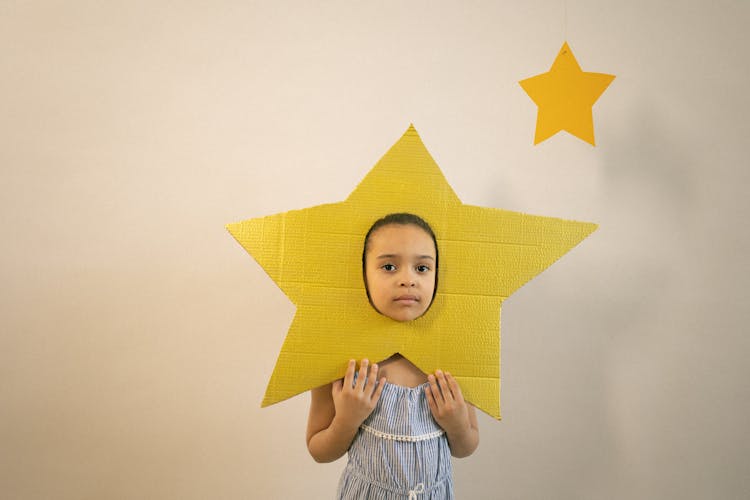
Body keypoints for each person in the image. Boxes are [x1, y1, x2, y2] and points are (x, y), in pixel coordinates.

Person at [306, 213, 479, 499]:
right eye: (389, 266)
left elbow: (466, 446)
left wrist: (457, 423)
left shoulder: (451, 354)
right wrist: (347, 420)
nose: (408, 280)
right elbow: (318, 450)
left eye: (422, 268)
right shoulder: (342, 358)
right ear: (363, 275)